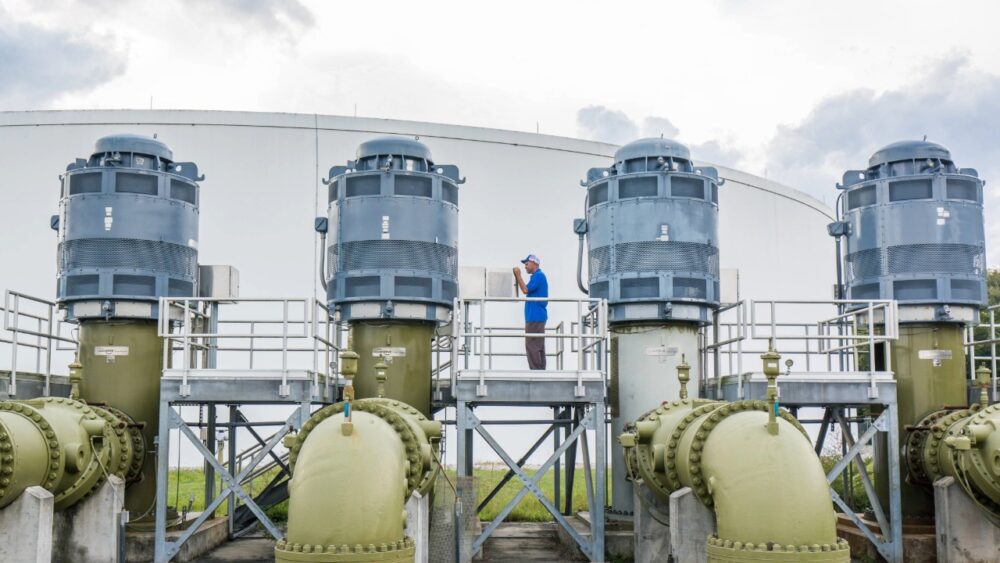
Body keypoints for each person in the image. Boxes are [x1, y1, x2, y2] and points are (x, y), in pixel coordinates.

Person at [513, 254, 548, 370]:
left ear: (534, 263)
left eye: (527, 264)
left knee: (532, 345)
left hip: (535, 317)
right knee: (538, 345)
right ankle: (541, 370)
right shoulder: (538, 277)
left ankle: (536, 371)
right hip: (537, 317)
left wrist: (517, 275)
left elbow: (525, 289)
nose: (525, 266)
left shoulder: (538, 276)